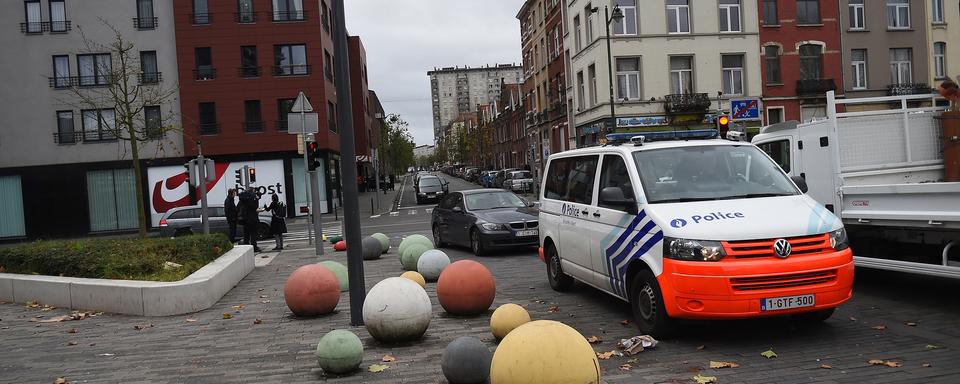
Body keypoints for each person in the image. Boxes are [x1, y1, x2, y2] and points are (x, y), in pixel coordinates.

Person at [238, 187, 261, 252]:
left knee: (246, 234)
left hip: (245, 219)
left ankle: (246, 247)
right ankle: (254, 247)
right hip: (252, 219)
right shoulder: (252, 198)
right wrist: (256, 199)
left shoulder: (242, 199)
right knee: (253, 234)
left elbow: (238, 207)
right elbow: (255, 207)